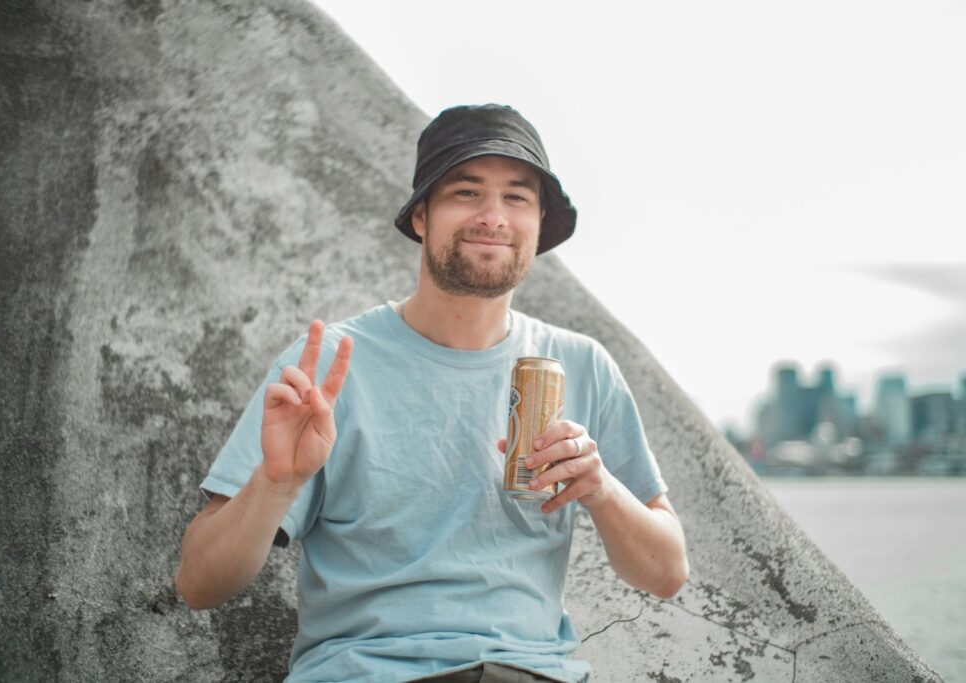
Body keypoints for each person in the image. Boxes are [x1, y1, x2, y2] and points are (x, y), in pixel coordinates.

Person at [175, 104, 689, 683]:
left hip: (530, 671)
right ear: (422, 216)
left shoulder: (582, 365)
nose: (493, 217)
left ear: (539, 223)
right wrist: (277, 482)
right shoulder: (328, 365)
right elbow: (198, 583)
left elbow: (668, 571)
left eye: (517, 197)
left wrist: (601, 490)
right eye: (467, 192)